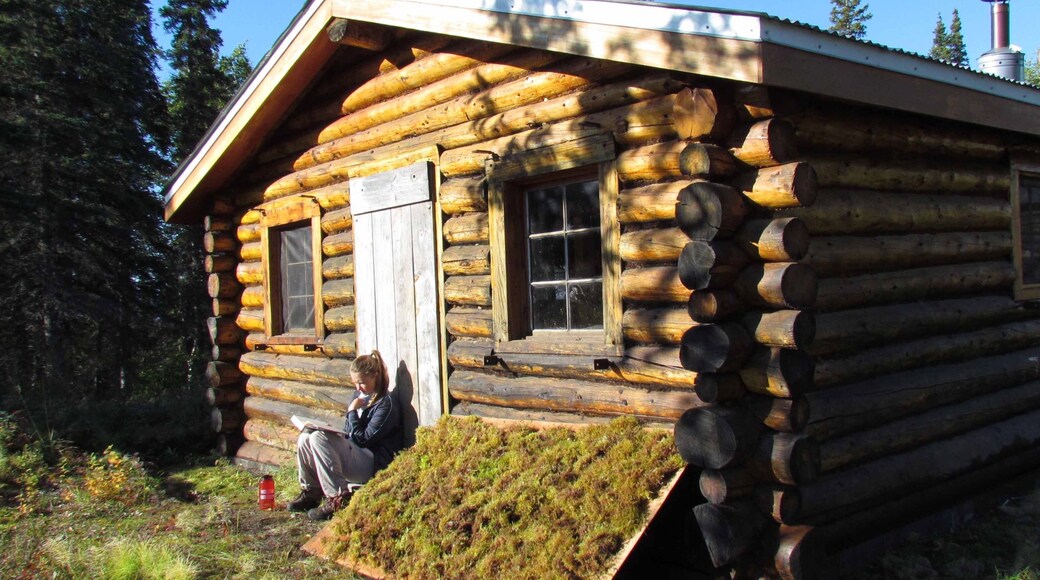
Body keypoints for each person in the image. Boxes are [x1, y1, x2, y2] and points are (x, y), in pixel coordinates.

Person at [288, 350, 403, 520]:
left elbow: (364, 439)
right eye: (355, 383)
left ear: (375, 376)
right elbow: (348, 431)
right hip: (356, 454)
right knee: (307, 435)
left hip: (373, 464)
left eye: (362, 383)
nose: (358, 388)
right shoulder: (357, 396)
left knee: (319, 437)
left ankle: (338, 499)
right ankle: (311, 491)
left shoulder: (386, 404)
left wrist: (351, 413)